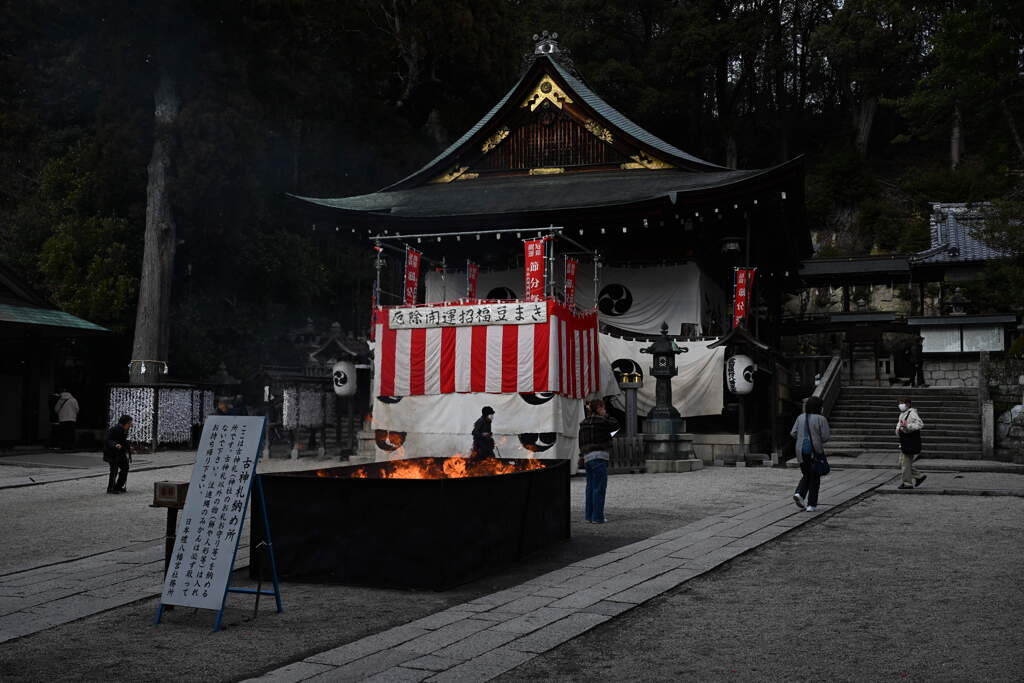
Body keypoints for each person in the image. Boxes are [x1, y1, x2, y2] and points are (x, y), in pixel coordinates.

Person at [578, 398, 618, 524]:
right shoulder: (603, 421)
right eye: (603, 408)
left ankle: (589, 516)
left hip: (587, 457)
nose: (604, 410)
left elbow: (581, 442)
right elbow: (616, 424)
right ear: (599, 408)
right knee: (599, 488)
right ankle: (598, 517)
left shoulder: (583, 423)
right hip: (599, 456)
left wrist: (582, 455)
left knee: (590, 487)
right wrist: (605, 415)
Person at [790, 395, 830, 512]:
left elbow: (793, 433)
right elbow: (825, 437)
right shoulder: (821, 419)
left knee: (807, 474)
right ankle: (811, 504)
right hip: (814, 451)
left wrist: (802, 438)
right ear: (819, 407)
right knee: (815, 476)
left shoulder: (800, 417)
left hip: (800, 450)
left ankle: (799, 493)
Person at [896, 397, 926, 489]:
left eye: (902, 403)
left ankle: (907, 483)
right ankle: (919, 476)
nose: (900, 405)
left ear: (908, 404)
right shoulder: (903, 414)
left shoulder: (912, 413)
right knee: (901, 463)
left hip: (909, 441)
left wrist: (908, 426)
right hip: (904, 440)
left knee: (905, 464)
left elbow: (920, 424)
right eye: (899, 403)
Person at [103, 415, 133, 494]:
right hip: (112, 453)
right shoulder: (114, 429)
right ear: (125, 423)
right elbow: (107, 440)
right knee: (114, 470)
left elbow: (123, 441)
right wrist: (115, 444)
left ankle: (118, 486)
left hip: (120, 452)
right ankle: (111, 488)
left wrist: (128, 447)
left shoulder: (124, 430)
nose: (131, 425)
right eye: (130, 423)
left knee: (125, 467)